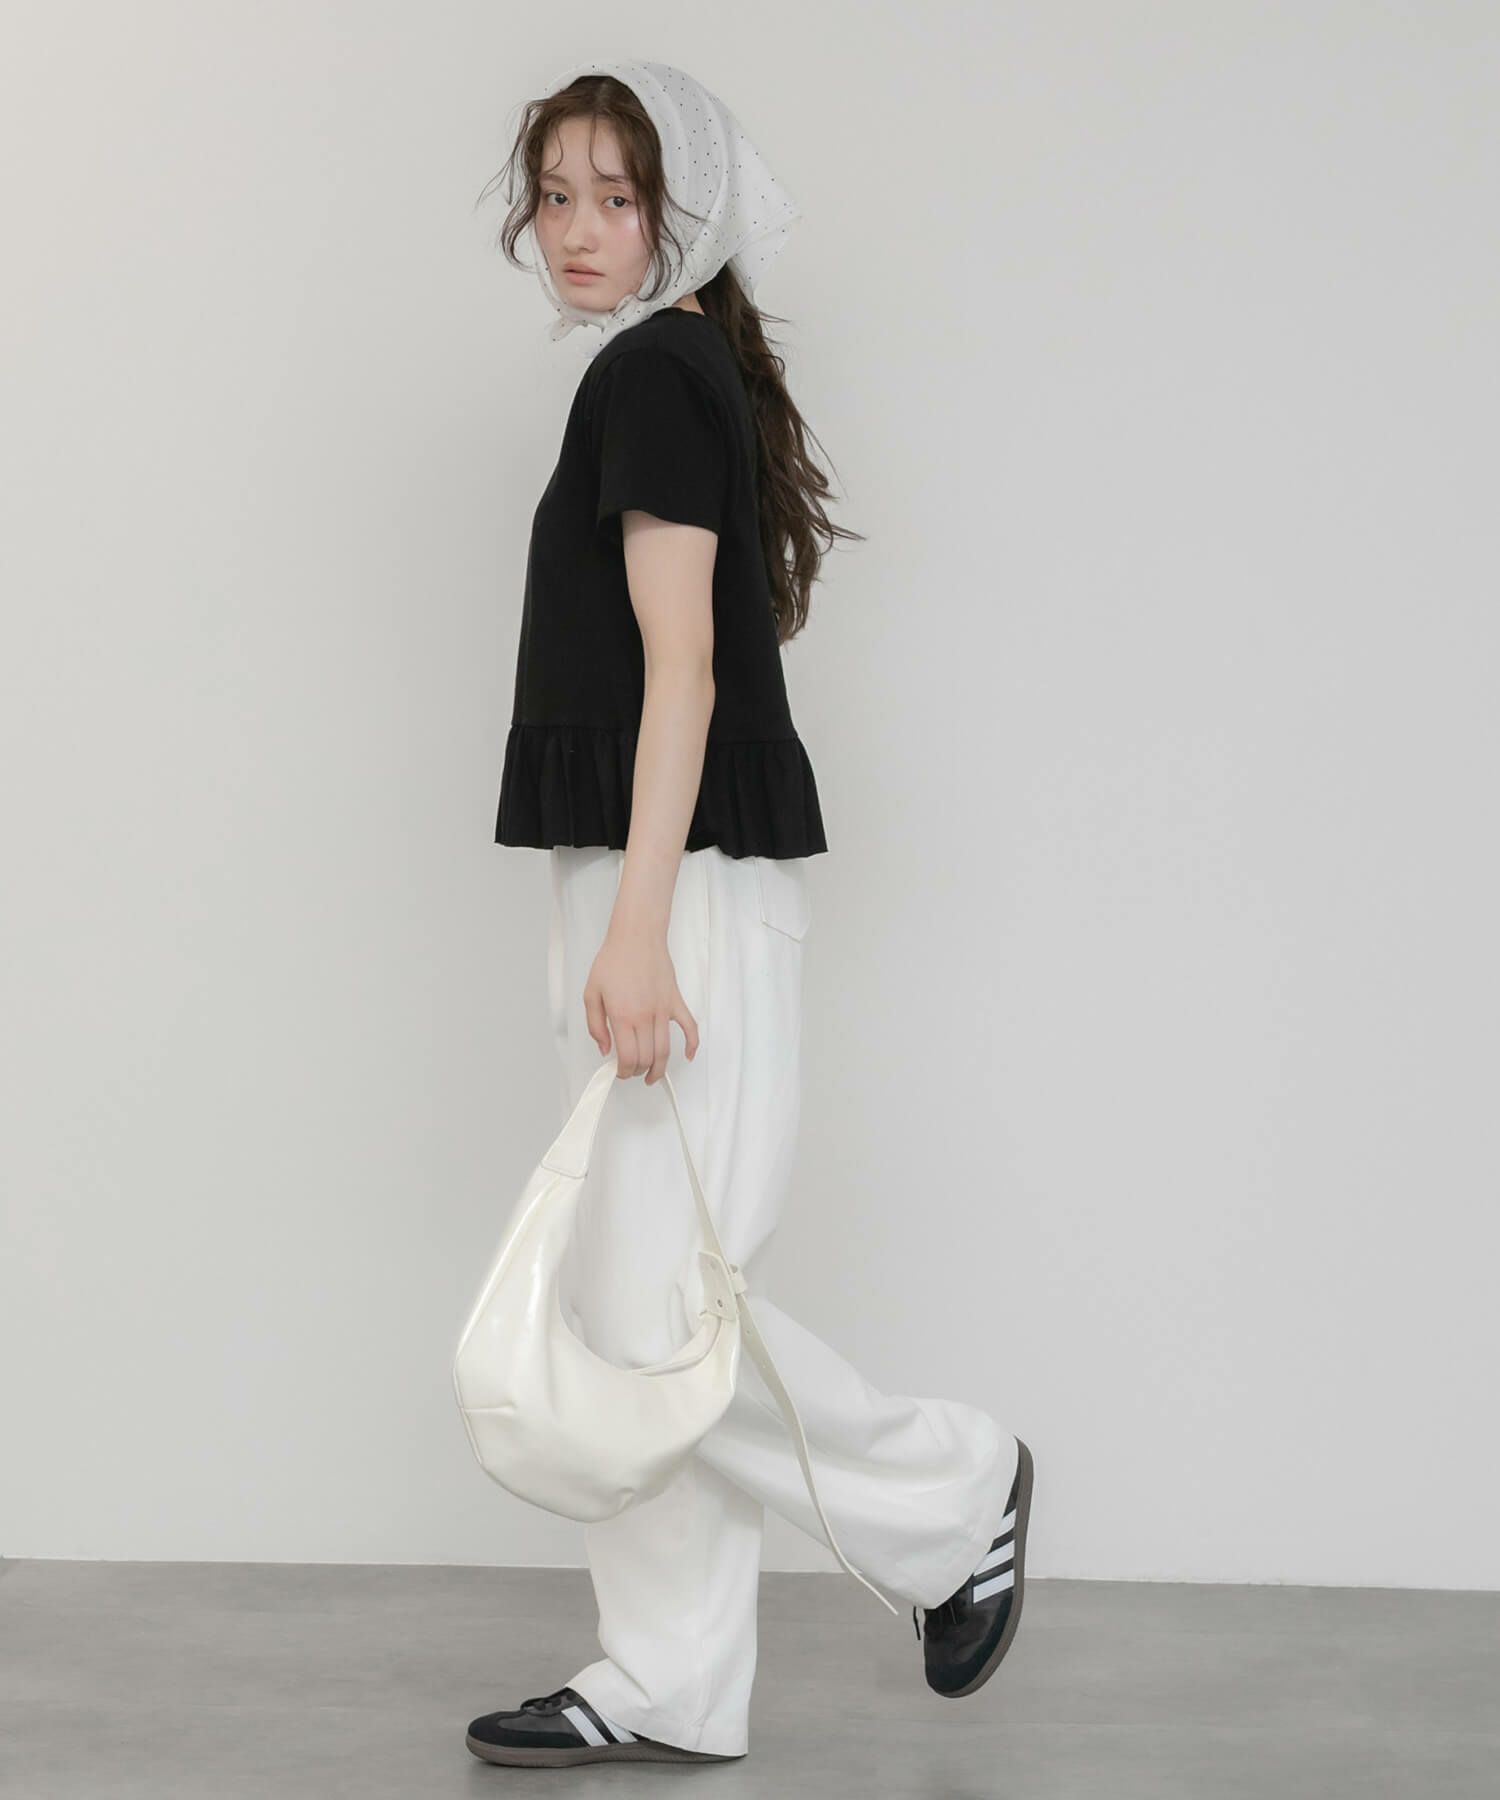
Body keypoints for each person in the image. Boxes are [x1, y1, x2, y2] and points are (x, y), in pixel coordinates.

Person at [465, 59, 1034, 1769]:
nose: (576, 228)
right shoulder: (674, 363)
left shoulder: (653, 372)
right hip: (661, 877)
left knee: (653, 1314)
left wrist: (640, 925)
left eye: (615, 196)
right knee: (648, 1299)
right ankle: (673, 1678)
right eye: (554, 194)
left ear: (685, 207)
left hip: (682, 885)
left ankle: (955, 1492)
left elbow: (686, 670)